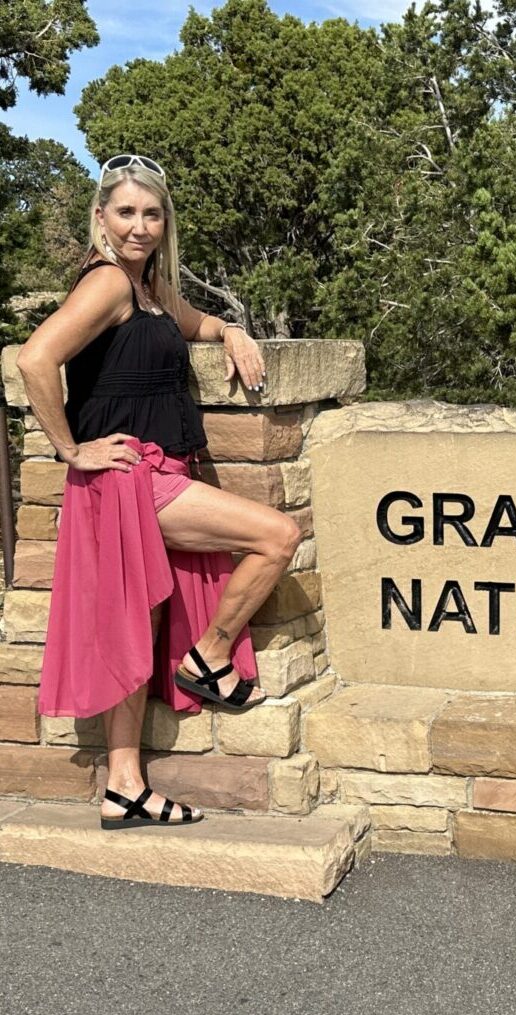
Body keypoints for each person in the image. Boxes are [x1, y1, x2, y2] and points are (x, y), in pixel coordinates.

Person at [16, 153, 302, 830]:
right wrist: (71, 449)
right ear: (100, 218)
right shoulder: (109, 284)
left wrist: (230, 330)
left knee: (134, 633)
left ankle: (124, 786)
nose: (139, 226)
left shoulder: (147, 290)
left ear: (164, 221)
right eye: (126, 213)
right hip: (131, 482)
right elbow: (35, 358)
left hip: (150, 479)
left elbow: (192, 321)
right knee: (277, 536)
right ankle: (207, 657)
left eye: (151, 214)